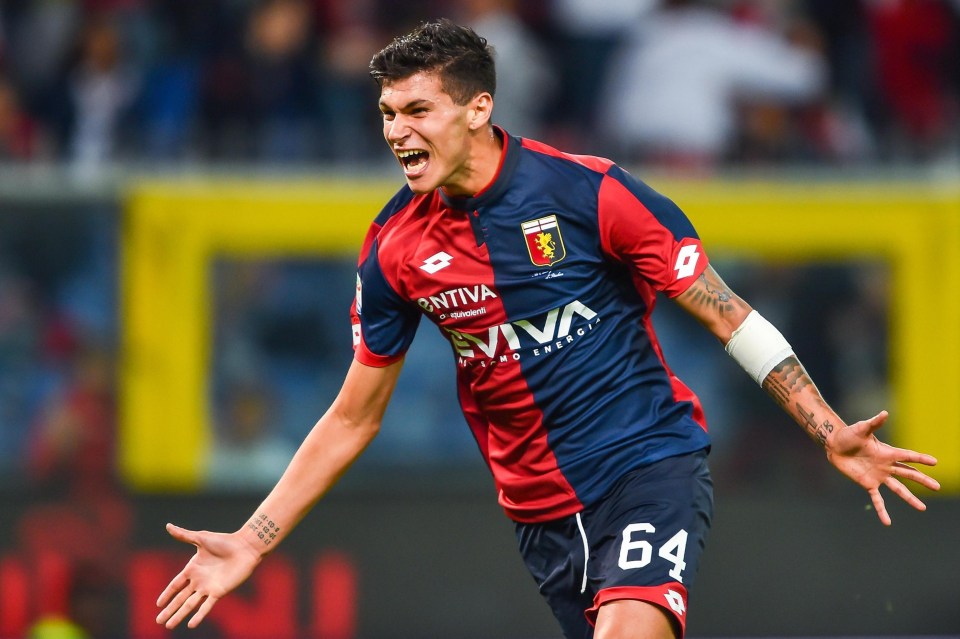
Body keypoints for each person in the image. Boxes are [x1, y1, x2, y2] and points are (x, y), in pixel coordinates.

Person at [155, 19, 940, 639]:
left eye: (418, 110)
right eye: (389, 113)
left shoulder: (590, 195)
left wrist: (827, 426)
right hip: (539, 516)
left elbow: (727, 313)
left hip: (645, 465)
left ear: (478, 108)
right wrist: (255, 539)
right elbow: (353, 414)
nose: (397, 132)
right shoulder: (394, 247)